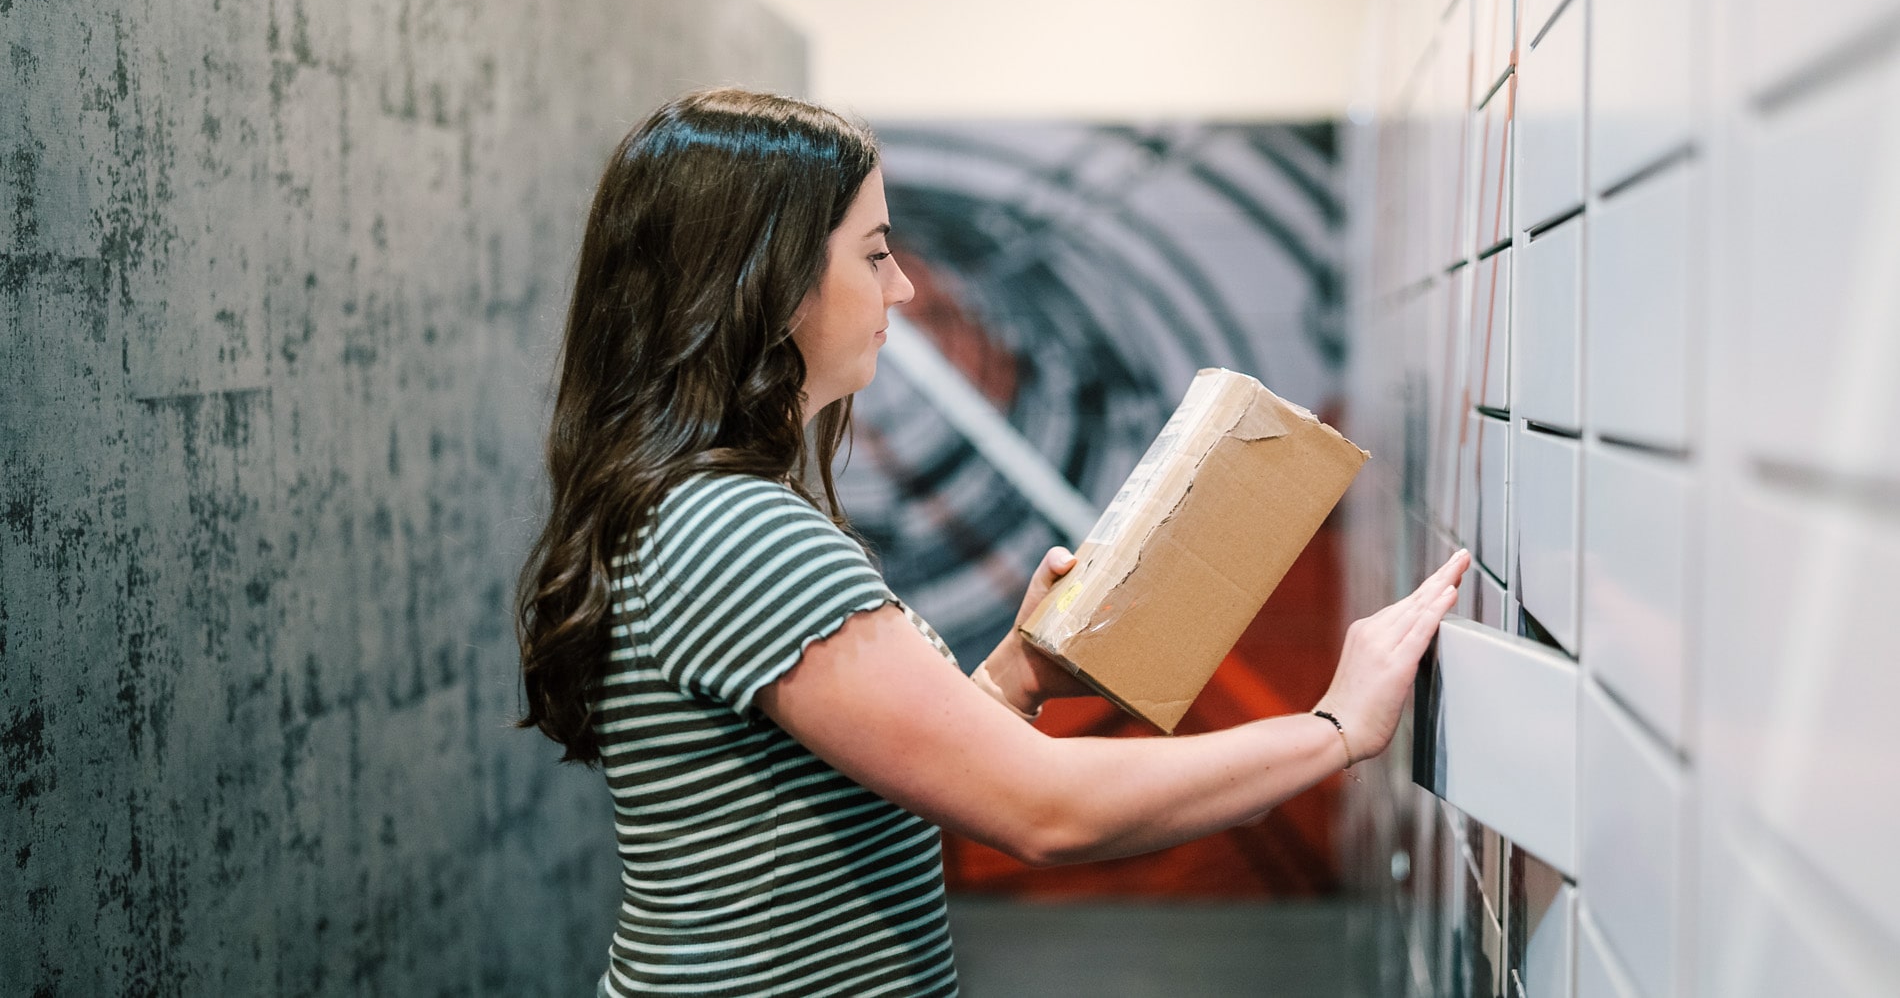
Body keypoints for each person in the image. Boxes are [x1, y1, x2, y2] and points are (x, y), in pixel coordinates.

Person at [514, 88, 1469, 998]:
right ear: (770, 281)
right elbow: (1047, 809)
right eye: (876, 254)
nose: (906, 285)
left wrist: (1013, 677)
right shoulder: (738, 530)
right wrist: (1336, 729)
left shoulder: (697, 509)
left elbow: (854, 787)